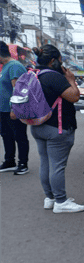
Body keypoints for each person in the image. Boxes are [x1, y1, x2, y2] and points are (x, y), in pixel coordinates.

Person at [30, 44, 84, 213]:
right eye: (61, 61)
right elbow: (75, 96)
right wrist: (70, 79)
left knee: (45, 163)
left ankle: (50, 198)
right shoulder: (54, 77)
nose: (62, 65)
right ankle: (61, 202)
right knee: (57, 166)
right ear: (53, 60)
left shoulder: (33, 74)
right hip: (57, 128)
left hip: (38, 126)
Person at [0, 41, 29, 174]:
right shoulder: (5, 66)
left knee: (19, 136)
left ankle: (23, 164)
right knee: (6, 135)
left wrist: (14, 108)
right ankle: (9, 161)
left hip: (14, 109)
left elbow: (18, 89)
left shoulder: (14, 66)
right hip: (3, 110)